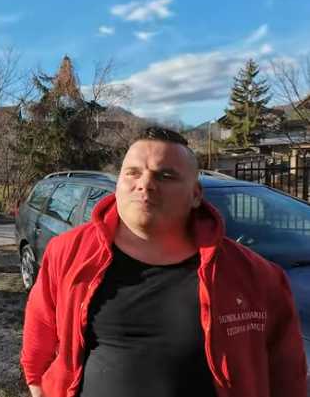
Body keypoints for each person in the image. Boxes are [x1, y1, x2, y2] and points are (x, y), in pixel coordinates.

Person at [20, 127, 306, 397]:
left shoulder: (257, 276)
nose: (145, 184)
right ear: (118, 184)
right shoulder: (68, 252)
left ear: (196, 195)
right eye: (133, 172)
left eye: (165, 175)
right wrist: (37, 386)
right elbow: (39, 333)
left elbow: (288, 375)